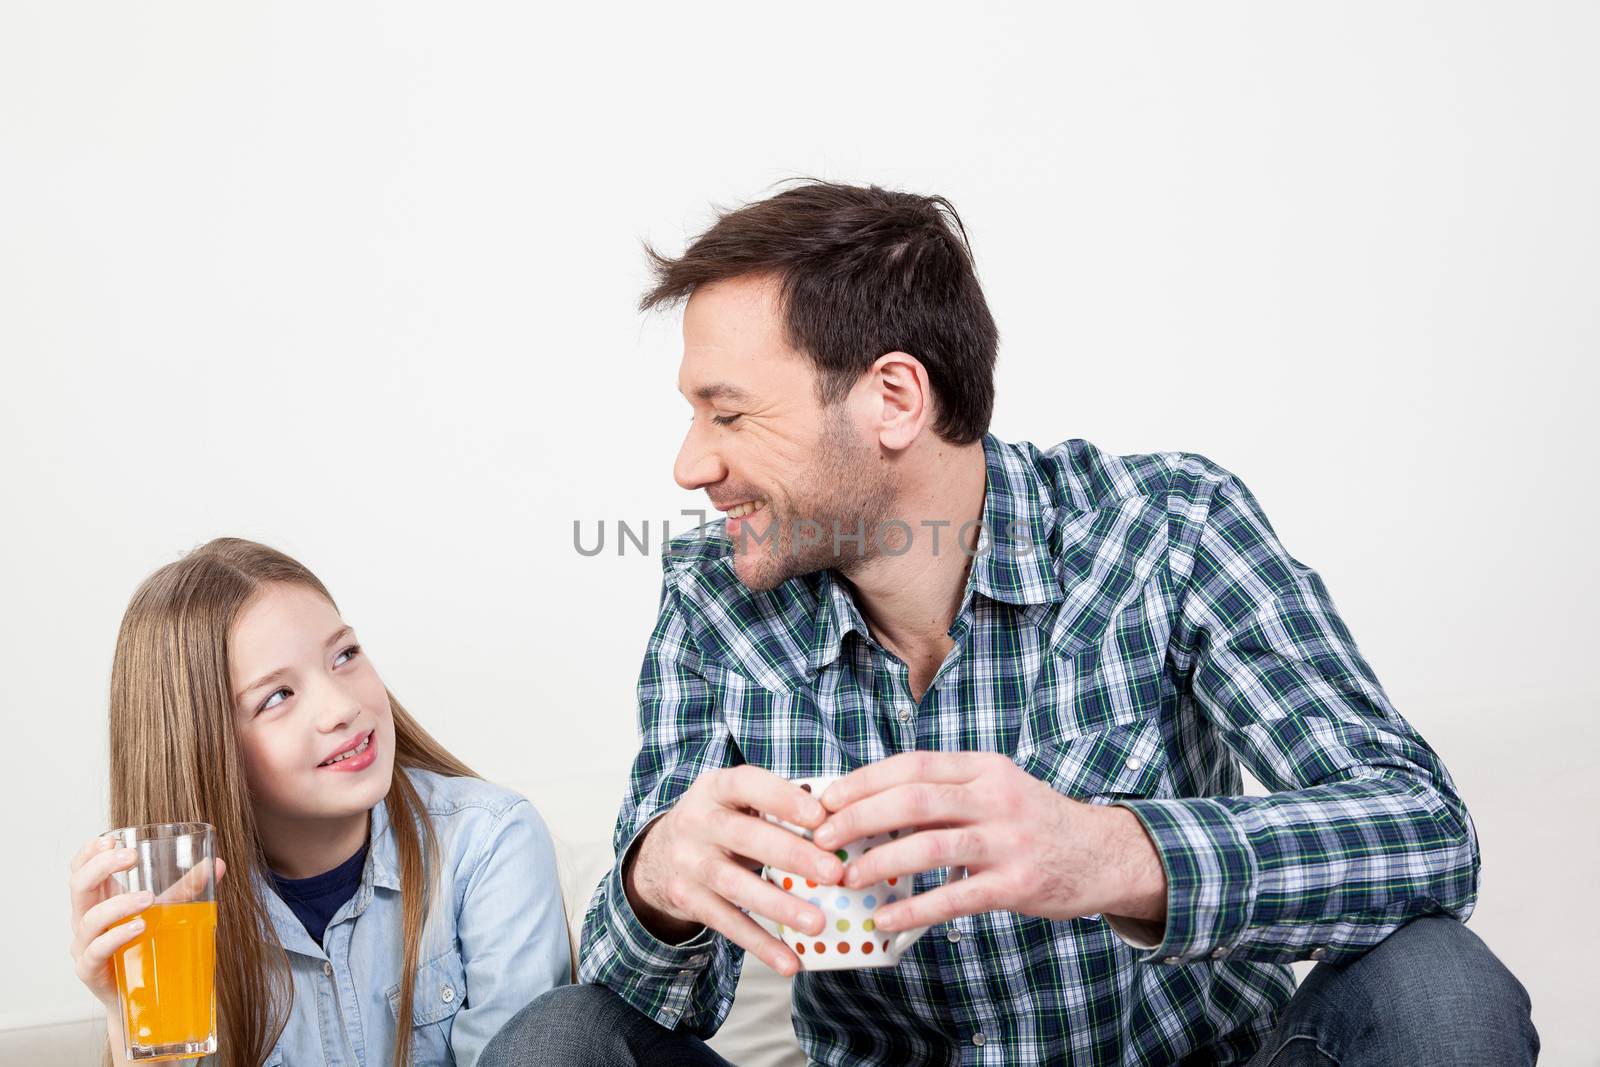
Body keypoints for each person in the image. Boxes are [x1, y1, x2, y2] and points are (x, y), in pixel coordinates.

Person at [483, 181, 1537, 1066]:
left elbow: (1424, 828)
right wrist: (657, 880)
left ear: (893, 397)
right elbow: (652, 1005)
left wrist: (1108, 851)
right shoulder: (715, 599)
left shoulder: (1167, 527)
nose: (690, 465)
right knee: (562, 1037)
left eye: (729, 412)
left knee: (1436, 984)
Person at [67, 538, 571, 1067]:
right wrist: (134, 1033)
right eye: (277, 697)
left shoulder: (489, 845)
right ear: (203, 747)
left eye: (344, 655)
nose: (341, 706)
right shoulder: (180, 921)